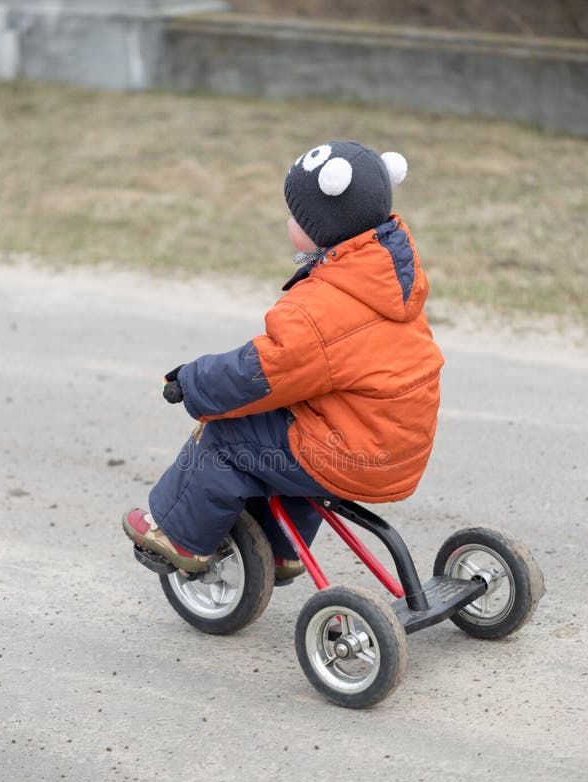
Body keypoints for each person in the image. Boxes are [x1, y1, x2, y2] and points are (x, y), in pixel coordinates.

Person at [123, 140, 444, 580]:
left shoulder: (323, 305)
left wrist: (194, 381)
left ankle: (177, 536)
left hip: (351, 454)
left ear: (322, 228)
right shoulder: (386, 279)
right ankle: (281, 549)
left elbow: (263, 372)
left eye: (296, 215)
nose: (289, 222)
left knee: (228, 434)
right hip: (397, 449)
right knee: (291, 425)